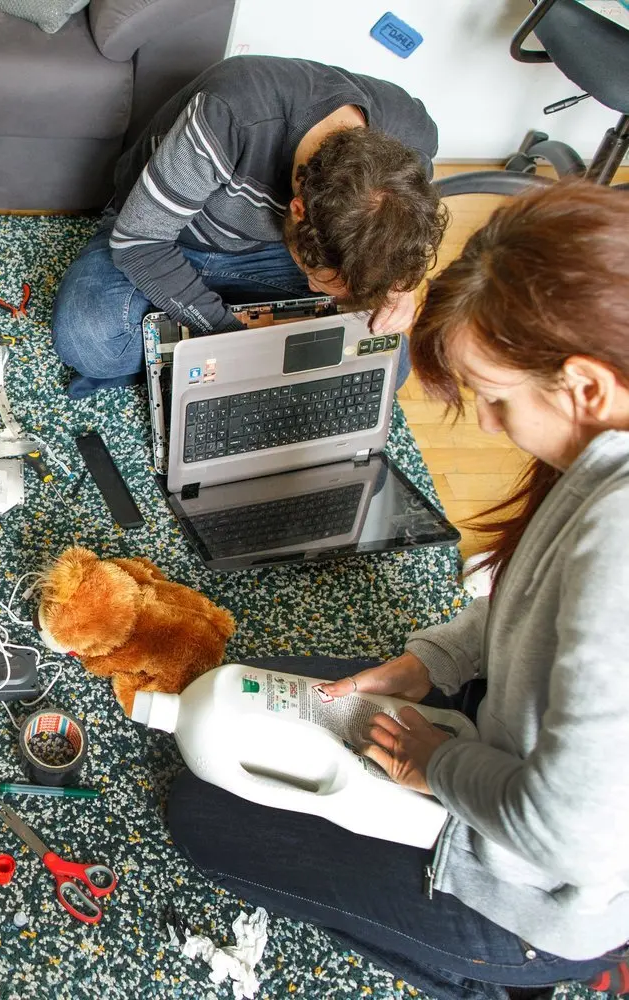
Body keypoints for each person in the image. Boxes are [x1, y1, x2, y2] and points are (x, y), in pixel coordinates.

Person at [164, 183, 629, 1000]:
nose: (486, 425)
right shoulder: (601, 464)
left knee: (203, 818)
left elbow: (565, 838)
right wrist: (430, 661)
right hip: (508, 740)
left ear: (586, 386)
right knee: (245, 687)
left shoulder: (618, 549)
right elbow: (531, 612)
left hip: (533, 894)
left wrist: (437, 761)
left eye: (493, 395)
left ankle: (497, 980)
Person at [52, 55, 447, 398]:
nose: (311, 286)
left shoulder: (411, 135)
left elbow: (406, 219)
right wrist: (230, 337)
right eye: (316, 276)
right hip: (167, 235)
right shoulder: (233, 112)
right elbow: (140, 242)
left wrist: (399, 288)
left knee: (389, 366)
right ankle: (218, 329)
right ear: (297, 209)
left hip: (268, 252)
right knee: (88, 340)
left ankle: (173, 341)